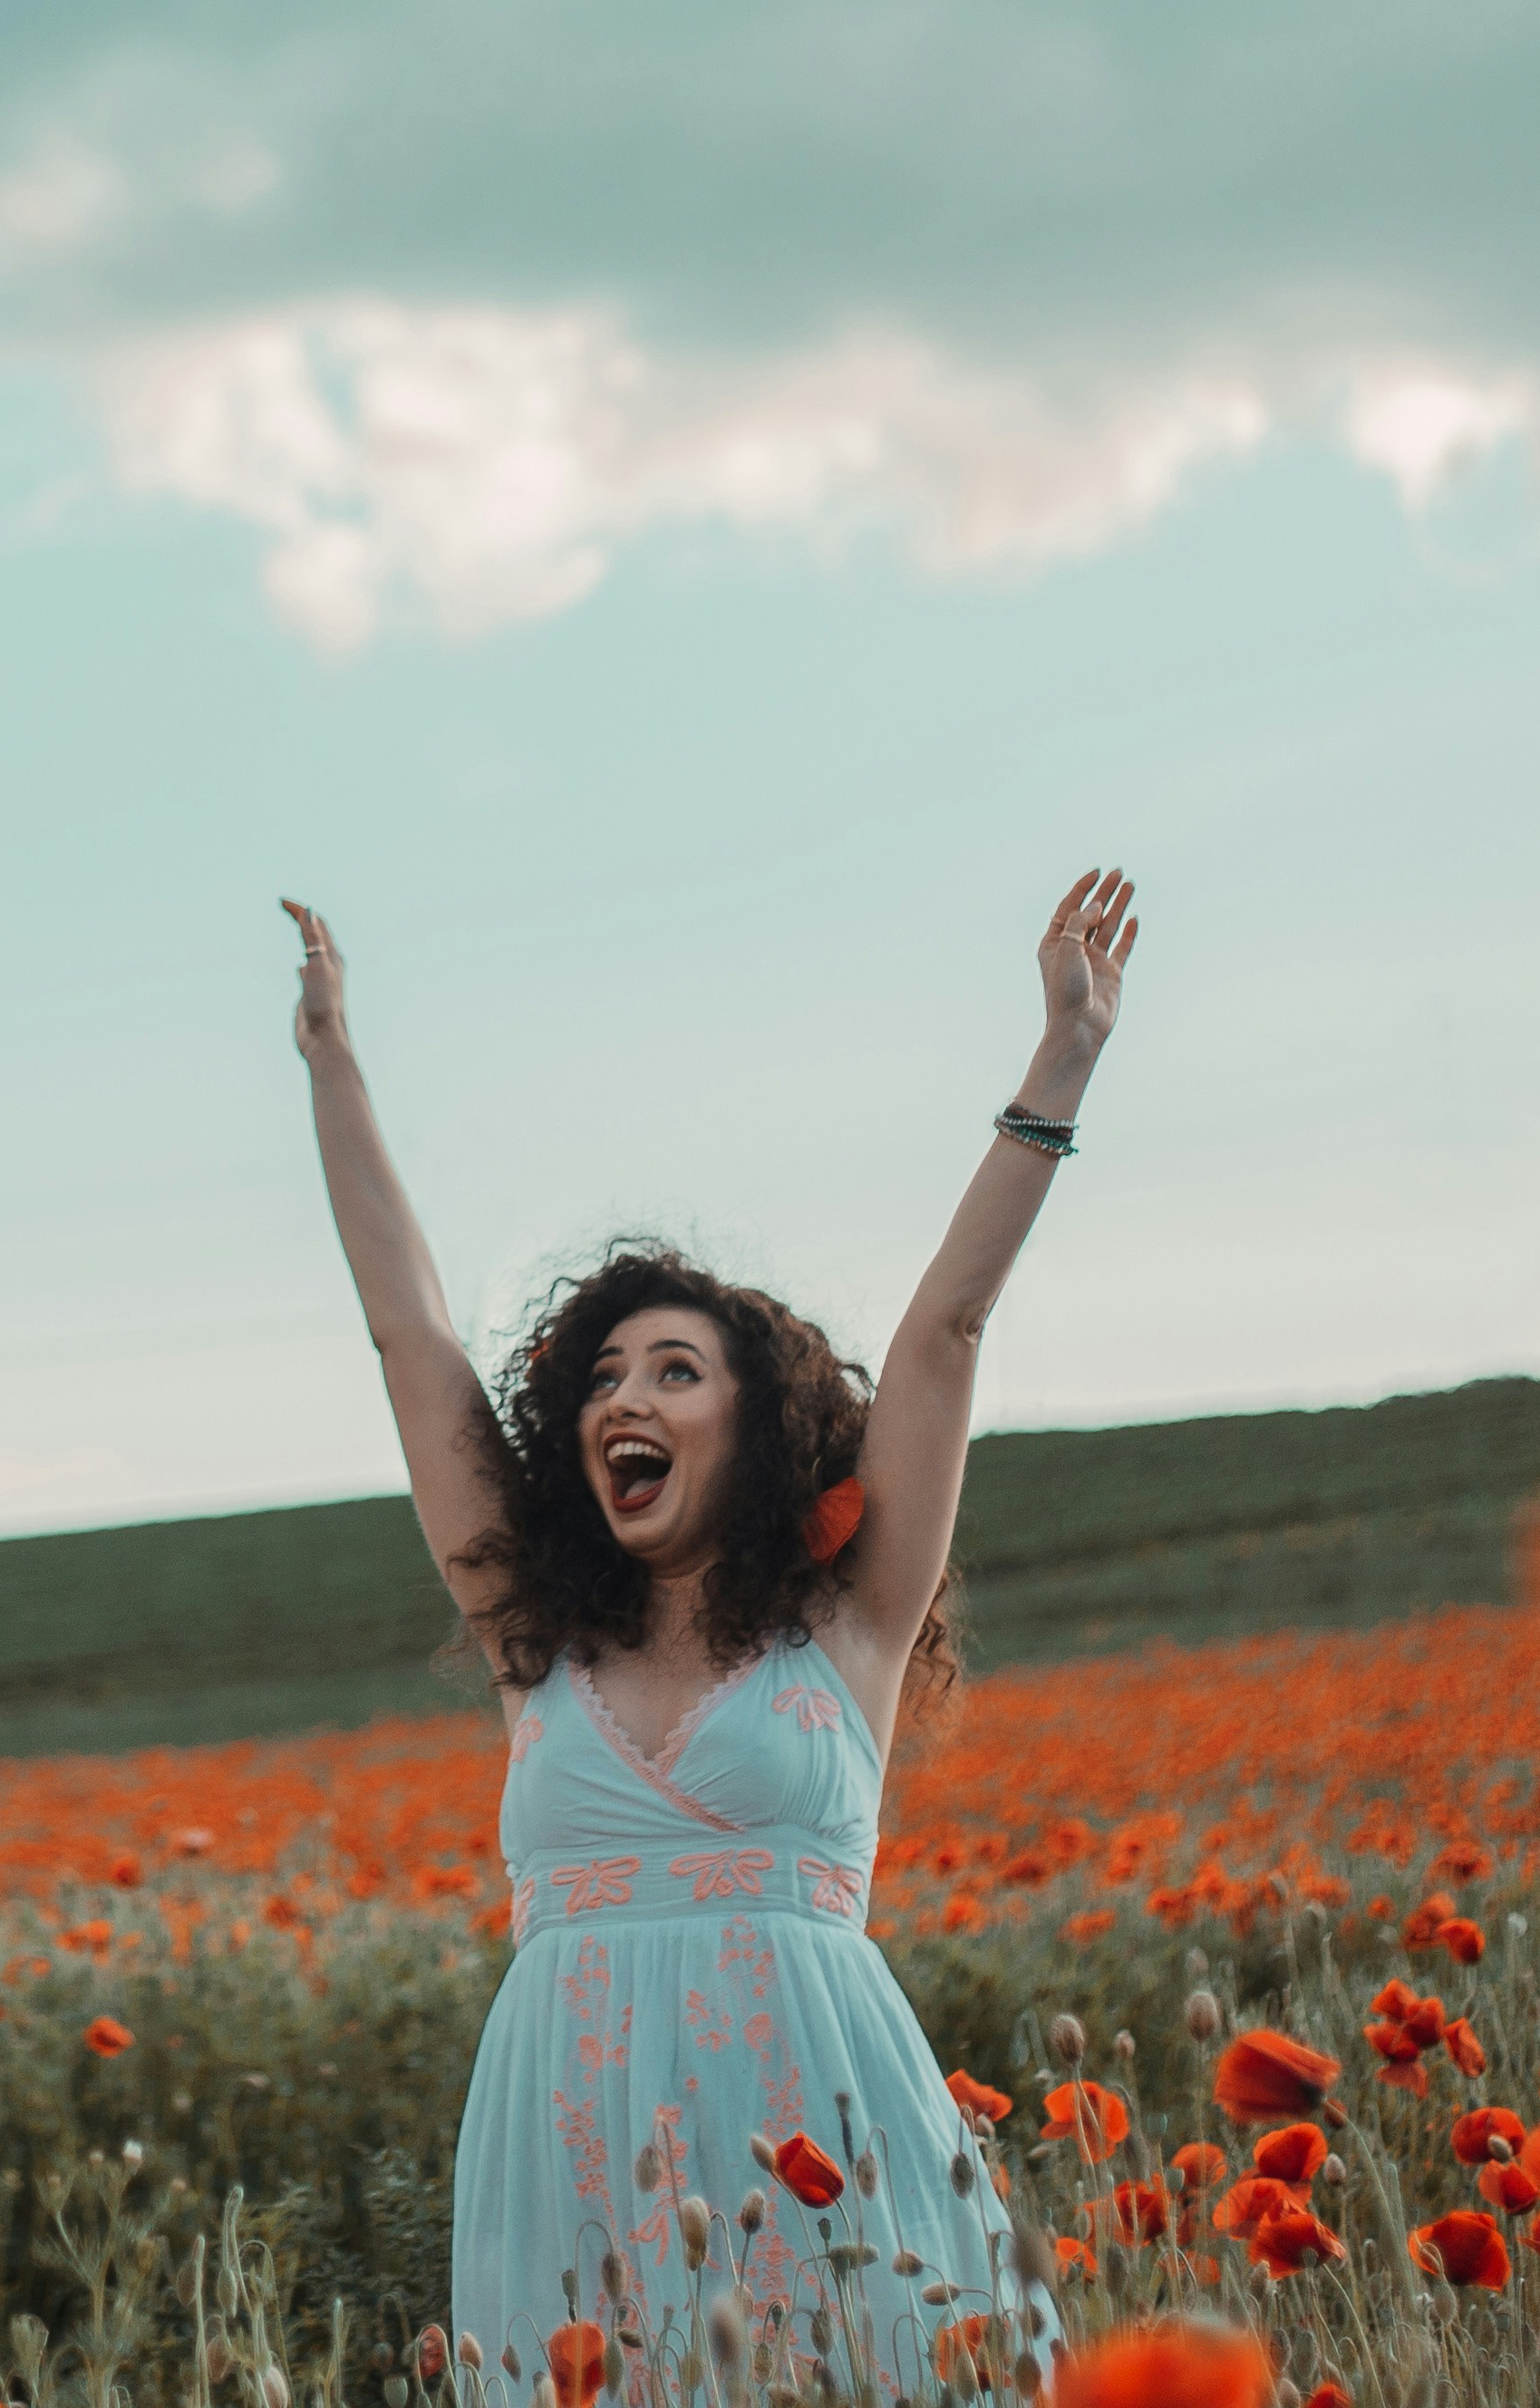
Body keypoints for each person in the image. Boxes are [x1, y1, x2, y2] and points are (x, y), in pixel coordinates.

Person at [282, 874, 1140, 2405]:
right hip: (572, 2139)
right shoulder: (531, 1636)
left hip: (813, 2135)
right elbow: (411, 1338)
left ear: (757, 1425)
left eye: (675, 1371)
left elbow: (946, 1330)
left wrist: (1060, 1060)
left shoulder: (851, 1626)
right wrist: (332, 1062)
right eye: (605, 1378)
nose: (629, 1400)